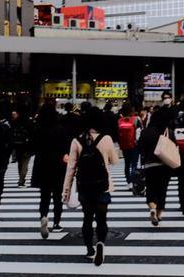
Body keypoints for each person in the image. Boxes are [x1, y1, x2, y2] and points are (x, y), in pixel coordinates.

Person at [63, 108, 119, 266]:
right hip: (103, 186)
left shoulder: (77, 140)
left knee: (87, 218)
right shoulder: (106, 138)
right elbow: (115, 161)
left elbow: (71, 168)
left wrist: (66, 191)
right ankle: (100, 242)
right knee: (102, 218)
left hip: (84, 185)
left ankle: (89, 250)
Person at [31, 103, 69, 238]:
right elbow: (66, 147)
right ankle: (57, 223)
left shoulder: (37, 128)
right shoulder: (60, 129)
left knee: (44, 195)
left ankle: (43, 216)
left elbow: (33, 146)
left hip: (42, 163)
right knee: (58, 195)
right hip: (58, 164)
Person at [137, 105, 176, 226]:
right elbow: (174, 146)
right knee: (162, 189)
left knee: (151, 188)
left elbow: (140, 148)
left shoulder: (146, 132)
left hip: (150, 164)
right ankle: (159, 214)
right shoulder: (168, 132)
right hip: (165, 165)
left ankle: (152, 208)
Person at [117, 102, 141, 190]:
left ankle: (129, 182)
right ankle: (133, 181)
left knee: (127, 164)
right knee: (134, 164)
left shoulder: (119, 121)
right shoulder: (136, 119)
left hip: (124, 146)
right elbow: (139, 132)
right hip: (134, 145)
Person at [10, 109, 33, 188]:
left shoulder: (14, 122)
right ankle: (21, 180)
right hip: (27, 145)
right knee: (25, 164)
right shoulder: (29, 122)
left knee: (20, 163)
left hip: (18, 145)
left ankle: (21, 178)